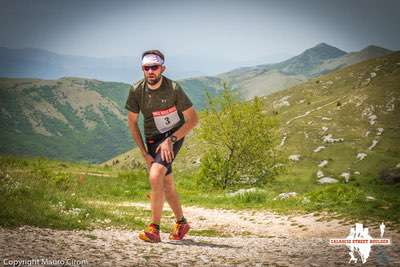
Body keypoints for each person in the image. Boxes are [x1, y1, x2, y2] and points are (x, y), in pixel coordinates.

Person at [125, 49, 198, 243]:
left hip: (173, 135)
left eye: (154, 67)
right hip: (152, 140)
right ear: (142, 69)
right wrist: (144, 154)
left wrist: (171, 140)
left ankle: (154, 229)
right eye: (146, 68)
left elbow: (193, 119)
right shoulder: (136, 91)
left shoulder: (174, 88)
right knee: (166, 183)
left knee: (156, 175)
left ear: (162, 68)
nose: (150, 71)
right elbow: (132, 122)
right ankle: (181, 222)